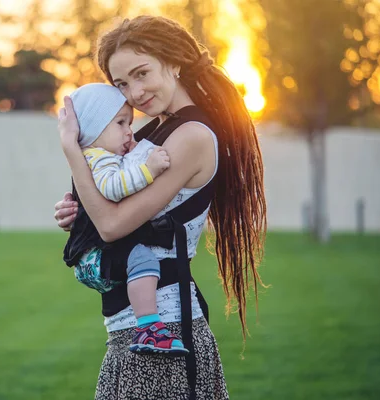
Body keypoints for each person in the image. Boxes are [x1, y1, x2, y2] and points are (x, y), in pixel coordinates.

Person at [56, 15, 266, 400]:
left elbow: (112, 226)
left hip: (165, 334)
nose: (134, 93)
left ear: (173, 63)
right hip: (130, 333)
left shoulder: (191, 137)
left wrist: (73, 150)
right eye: (121, 83)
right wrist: (77, 214)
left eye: (141, 73)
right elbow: (107, 206)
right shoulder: (148, 135)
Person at [66, 82, 189, 356]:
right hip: (96, 258)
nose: (128, 131)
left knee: (141, 257)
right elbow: (113, 188)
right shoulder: (99, 158)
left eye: (129, 122)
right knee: (144, 259)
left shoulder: (102, 156)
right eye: (120, 123)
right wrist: (149, 169)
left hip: (95, 255)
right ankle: (148, 326)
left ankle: (147, 326)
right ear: (94, 128)